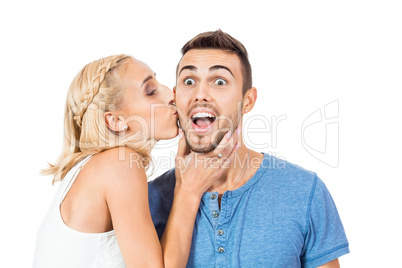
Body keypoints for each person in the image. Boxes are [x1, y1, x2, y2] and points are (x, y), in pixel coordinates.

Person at [148, 30, 350, 267]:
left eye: (220, 81)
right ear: (175, 96)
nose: (200, 94)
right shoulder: (148, 200)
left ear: (248, 101)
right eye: (189, 81)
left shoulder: (305, 192)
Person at [33, 54, 240, 267]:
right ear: (116, 120)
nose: (171, 94)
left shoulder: (93, 168)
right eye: (151, 91)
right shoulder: (118, 164)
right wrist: (188, 190)